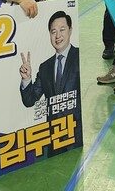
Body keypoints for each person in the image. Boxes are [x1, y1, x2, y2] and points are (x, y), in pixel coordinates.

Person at [19, 10, 82, 153]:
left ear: (70, 31)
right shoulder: (45, 67)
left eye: (62, 30)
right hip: (55, 139)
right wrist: (26, 79)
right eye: (53, 32)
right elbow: (30, 100)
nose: (58, 35)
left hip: (78, 135)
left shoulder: (79, 57)